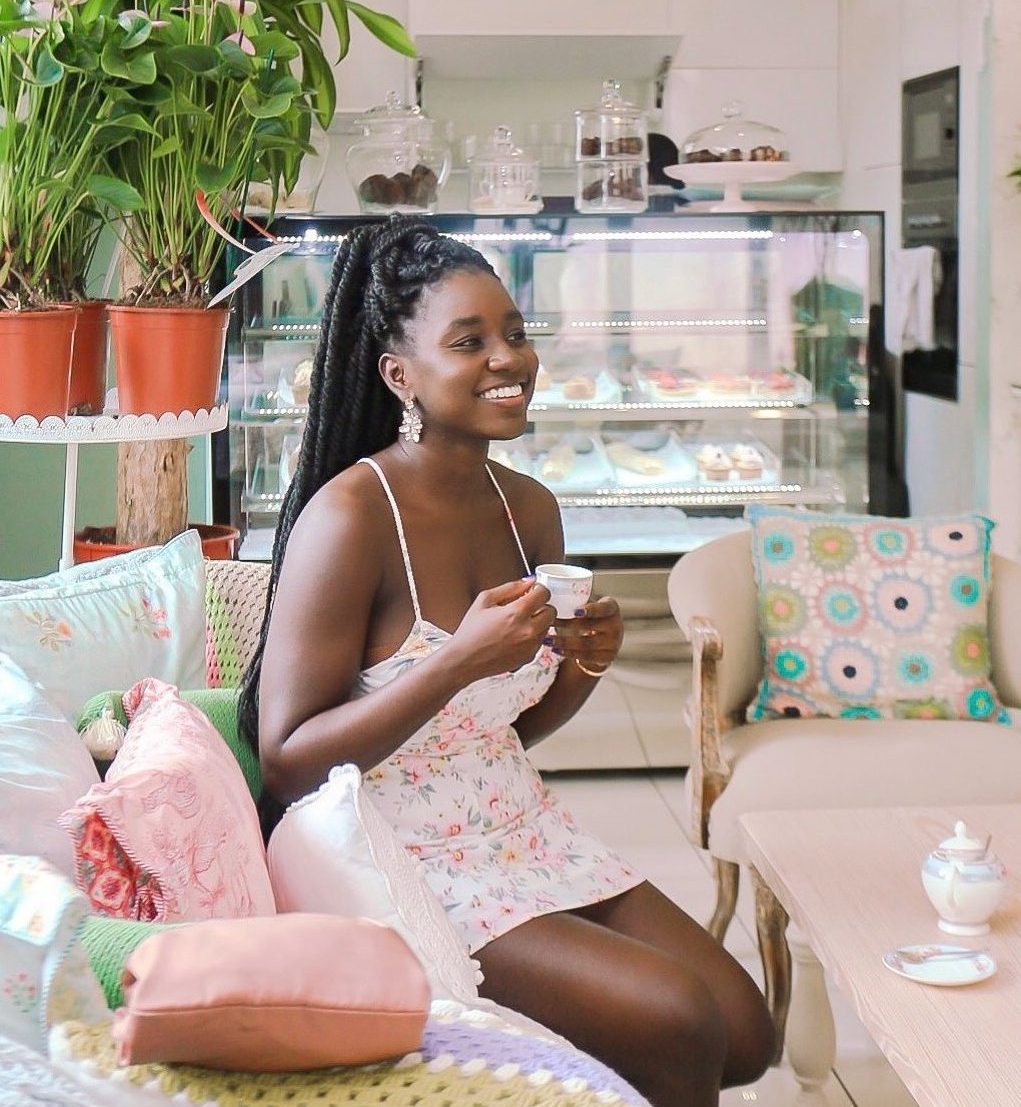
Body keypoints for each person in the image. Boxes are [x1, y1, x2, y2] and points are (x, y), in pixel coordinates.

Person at [238, 216, 774, 1107]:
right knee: (679, 1020)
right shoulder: (351, 518)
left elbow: (509, 729)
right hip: (405, 856)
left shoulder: (526, 504)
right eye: (469, 341)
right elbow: (289, 761)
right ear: (398, 374)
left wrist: (581, 665)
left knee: (744, 1034)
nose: (508, 359)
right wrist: (454, 662)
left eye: (516, 335)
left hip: (519, 828)